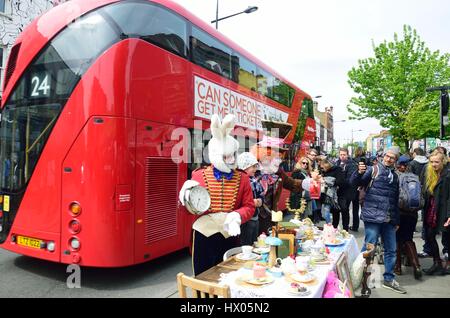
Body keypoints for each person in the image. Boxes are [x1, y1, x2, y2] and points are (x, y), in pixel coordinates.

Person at [179, 114, 255, 275]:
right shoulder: (198, 175)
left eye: (233, 155)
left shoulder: (242, 178)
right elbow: (188, 209)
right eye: (226, 156)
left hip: (230, 234)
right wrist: (184, 198)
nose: (231, 159)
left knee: (229, 275)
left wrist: (237, 215)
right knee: (203, 276)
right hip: (203, 235)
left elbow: (249, 206)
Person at [350, 146, 407, 294]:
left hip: (389, 219)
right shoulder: (373, 169)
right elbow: (355, 183)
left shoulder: (395, 176)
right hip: (373, 217)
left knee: (391, 250)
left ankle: (388, 279)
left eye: (392, 157)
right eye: (387, 156)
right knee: (368, 249)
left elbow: (394, 200)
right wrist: (358, 172)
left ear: (395, 160)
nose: (388, 159)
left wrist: (396, 220)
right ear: (383, 156)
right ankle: (359, 278)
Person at [420, 151, 450, 275]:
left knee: (447, 238)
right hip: (431, 210)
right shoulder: (429, 173)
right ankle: (437, 262)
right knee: (429, 235)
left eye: (436, 162)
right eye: (431, 162)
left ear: (443, 161)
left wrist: (449, 215)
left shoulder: (448, 175)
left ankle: (447, 266)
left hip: (444, 210)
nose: (433, 164)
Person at [394, 155, 423, 279]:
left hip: (399, 212)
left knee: (397, 239)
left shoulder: (396, 176)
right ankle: (416, 265)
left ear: (399, 165)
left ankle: (398, 267)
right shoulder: (415, 177)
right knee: (408, 238)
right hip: (412, 213)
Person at [237, 152, 265, 246]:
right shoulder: (239, 181)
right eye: (252, 166)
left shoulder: (254, 181)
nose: (255, 169)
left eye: (255, 166)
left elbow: (261, 195)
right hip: (245, 220)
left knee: (254, 244)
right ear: (244, 167)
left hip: (255, 218)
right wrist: (251, 202)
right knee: (246, 245)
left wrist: (260, 201)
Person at [335, 148, 358, 231]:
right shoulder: (337, 163)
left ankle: (345, 228)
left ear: (347, 155)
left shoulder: (351, 164)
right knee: (338, 209)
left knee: (345, 209)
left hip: (348, 191)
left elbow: (350, 179)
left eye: (344, 155)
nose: (342, 156)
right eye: (341, 154)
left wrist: (338, 183)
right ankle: (336, 228)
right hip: (338, 191)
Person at [318, 158, 344, 226]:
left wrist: (326, 181)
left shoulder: (337, 169)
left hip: (335, 194)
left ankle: (334, 227)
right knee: (326, 211)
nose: (322, 169)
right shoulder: (324, 171)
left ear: (326, 165)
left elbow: (340, 181)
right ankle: (329, 226)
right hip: (326, 194)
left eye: (322, 167)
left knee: (335, 211)